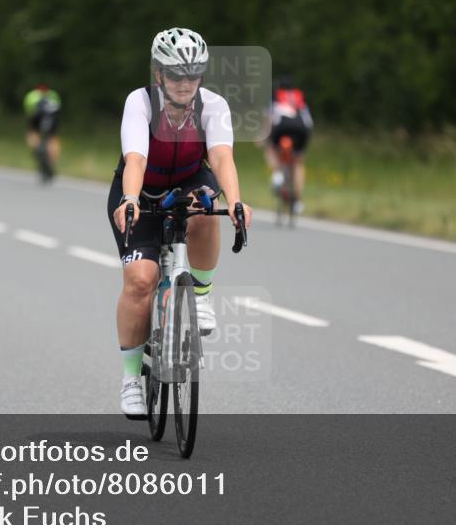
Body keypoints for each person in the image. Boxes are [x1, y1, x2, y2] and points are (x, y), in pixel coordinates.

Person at [108, 27, 252, 417]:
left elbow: (221, 158)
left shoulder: (214, 105)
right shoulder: (140, 103)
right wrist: (132, 199)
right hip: (142, 191)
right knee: (140, 281)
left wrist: (237, 202)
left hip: (189, 182)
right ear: (159, 75)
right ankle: (130, 380)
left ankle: (200, 297)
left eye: (192, 74)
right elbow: (135, 158)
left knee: (207, 207)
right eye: (175, 74)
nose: (185, 83)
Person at [264, 76, 313, 214]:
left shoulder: (275, 98)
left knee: (270, 149)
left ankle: (277, 174)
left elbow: (269, 120)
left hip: (282, 127)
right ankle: (297, 200)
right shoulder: (299, 98)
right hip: (301, 130)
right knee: (298, 163)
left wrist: (264, 138)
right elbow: (309, 122)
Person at [23, 84, 62, 183]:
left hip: (36, 117)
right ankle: (51, 163)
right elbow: (58, 109)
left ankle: (37, 150)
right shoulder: (53, 95)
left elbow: (28, 111)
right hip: (52, 118)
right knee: (53, 138)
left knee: (32, 133)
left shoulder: (31, 95)